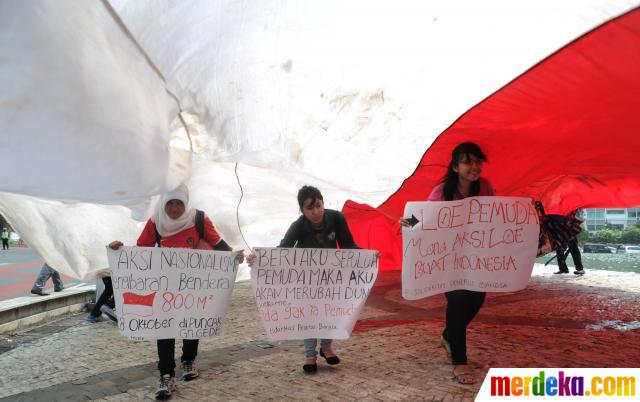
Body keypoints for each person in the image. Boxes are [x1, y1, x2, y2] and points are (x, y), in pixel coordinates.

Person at [108, 184, 244, 400]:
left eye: (178, 202)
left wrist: (232, 257)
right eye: (169, 202)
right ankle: (166, 373)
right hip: (166, 286)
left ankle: (189, 360)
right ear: (163, 203)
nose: (174, 208)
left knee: (191, 323)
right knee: (165, 328)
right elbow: (142, 251)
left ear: (186, 202)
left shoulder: (199, 219)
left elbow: (218, 244)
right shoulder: (156, 221)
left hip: (194, 283)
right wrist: (119, 251)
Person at [400, 142, 494, 385]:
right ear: (455, 166)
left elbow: (495, 215)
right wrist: (408, 223)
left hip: (475, 258)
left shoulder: (485, 187)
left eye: (477, 161)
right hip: (448, 261)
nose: (474, 167)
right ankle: (459, 362)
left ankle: (448, 336)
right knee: (459, 301)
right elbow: (424, 217)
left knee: (477, 299)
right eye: (467, 162)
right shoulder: (442, 191)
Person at [247, 185, 360, 374]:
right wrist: (259, 259)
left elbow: (348, 244)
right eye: (310, 208)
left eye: (319, 205)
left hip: (330, 277)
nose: (316, 211)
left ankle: (326, 347)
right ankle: (310, 355)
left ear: (323, 203)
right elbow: (282, 250)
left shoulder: (336, 218)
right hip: (306, 281)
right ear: (302, 210)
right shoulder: (298, 226)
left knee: (329, 311)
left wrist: (368, 255)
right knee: (309, 314)